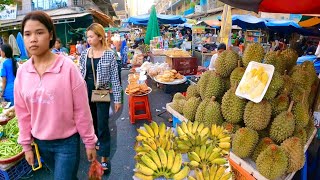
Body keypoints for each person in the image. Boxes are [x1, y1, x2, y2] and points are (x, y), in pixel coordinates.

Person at [15, 11, 97, 179]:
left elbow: (81, 110)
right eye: (27, 34)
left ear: (50, 34)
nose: (33, 39)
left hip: (66, 143)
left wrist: (89, 142)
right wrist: (26, 146)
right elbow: (22, 113)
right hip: (41, 143)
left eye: (39, 32)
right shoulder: (22, 72)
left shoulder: (67, 68)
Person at [79, 23, 122, 172]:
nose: (88, 39)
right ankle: (96, 142)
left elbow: (115, 79)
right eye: (87, 37)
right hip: (86, 91)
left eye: (91, 36)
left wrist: (117, 98)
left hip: (102, 91)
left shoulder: (109, 54)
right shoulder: (85, 54)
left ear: (99, 36)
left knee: (103, 124)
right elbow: (80, 76)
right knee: (91, 122)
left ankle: (104, 158)